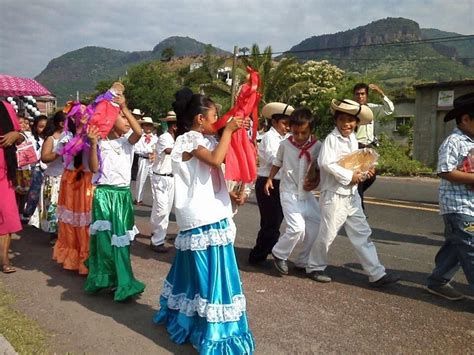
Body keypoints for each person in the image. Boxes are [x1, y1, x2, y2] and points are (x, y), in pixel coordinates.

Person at [153, 88, 255, 354]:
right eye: (215, 115)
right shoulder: (187, 140)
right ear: (199, 118)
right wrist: (230, 131)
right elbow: (214, 161)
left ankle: (186, 318)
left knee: (193, 276)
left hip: (209, 213)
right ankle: (212, 330)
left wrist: (231, 193)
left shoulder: (206, 140)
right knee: (211, 278)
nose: (218, 120)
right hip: (202, 219)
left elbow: (209, 175)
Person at [305, 98, 399, 286]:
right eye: (342, 120)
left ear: (356, 123)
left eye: (350, 120)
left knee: (362, 233)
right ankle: (314, 266)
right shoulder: (332, 139)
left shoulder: (353, 139)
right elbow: (325, 163)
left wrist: (365, 172)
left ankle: (377, 273)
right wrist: (350, 176)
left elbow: (355, 163)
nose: (346, 124)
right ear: (336, 121)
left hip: (351, 195)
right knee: (328, 234)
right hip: (334, 194)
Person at [85, 94, 145, 302]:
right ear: (109, 121)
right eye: (122, 117)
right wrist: (92, 144)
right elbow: (94, 168)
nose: (127, 121)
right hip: (103, 195)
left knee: (121, 241)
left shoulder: (126, 143)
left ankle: (123, 281)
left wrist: (125, 107)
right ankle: (104, 278)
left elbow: (139, 131)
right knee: (103, 241)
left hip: (121, 196)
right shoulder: (99, 143)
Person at [426, 92, 474, 301]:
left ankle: (438, 281)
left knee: (457, 245)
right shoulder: (454, 141)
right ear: (465, 119)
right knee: (471, 247)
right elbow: (444, 171)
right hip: (457, 206)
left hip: (470, 204)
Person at [264, 108, 322, 275]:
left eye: (304, 133)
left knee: (316, 224)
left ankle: (303, 260)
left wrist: (316, 181)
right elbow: (277, 161)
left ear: (311, 130)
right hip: (288, 192)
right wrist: (269, 179)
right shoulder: (285, 145)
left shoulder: (318, 146)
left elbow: (319, 168)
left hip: (306, 193)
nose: (299, 137)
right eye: (295, 133)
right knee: (297, 228)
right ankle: (279, 253)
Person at [248, 102, 292, 265]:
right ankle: (258, 255)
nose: (287, 128)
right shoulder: (269, 137)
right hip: (268, 182)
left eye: (289, 124)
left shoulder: (286, 138)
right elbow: (275, 159)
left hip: (281, 183)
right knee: (270, 222)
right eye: (284, 124)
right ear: (274, 122)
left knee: (275, 221)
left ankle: (265, 251)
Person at [53, 104, 93, 275]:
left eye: (85, 115)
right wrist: (78, 134)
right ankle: (71, 257)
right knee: (71, 221)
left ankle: (87, 258)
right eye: (78, 116)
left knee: (86, 221)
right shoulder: (66, 136)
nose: (82, 118)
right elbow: (63, 152)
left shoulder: (93, 135)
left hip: (87, 181)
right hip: (71, 180)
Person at [353, 83, 394, 208]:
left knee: (371, 176)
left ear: (367, 95)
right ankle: (359, 208)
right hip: (356, 147)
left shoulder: (372, 109)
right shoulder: (351, 110)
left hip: (369, 148)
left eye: (362, 94)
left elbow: (389, 110)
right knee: (360, 178)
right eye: (357, 94)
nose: (360, 96)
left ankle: (354, 197)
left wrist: (380, 93)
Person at [29, 111, 66, 245]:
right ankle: (54, 233)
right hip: (54, 178)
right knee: (53, 206)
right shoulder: (51, 139)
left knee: (65, 207)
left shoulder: (71, 137)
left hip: (67, 178)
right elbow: (44, 157)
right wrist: (60, 151)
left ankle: (64, 232)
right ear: (62, 123)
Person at [0, 101, 25, 273]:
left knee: (7, 216)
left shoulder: (5, 107)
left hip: (4, 172)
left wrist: (15, 134)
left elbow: (21, 136)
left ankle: (4, 258)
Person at [149, 111, 177, 253]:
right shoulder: (164, 137)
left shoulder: (177, 139)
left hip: (171, 178)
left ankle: (155, 232)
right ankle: (157, 241)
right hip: (160, 177)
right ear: (174, 126)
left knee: (162, 209)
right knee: (162, 209)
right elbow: (168, 151)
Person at [134, 116, 158, 205]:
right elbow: (136, 149)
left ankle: (156, 199)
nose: (148, 127)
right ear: (143, 126)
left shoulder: (155, 138)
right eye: (146, 125)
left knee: (154, 179)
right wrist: (147, 151)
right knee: (141, 179)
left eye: (149, 126)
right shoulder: (140, 137)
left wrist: (154, 152)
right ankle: (138, 199)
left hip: (153, 160)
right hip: (143, 159)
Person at [130, 108, 144, 181]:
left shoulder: (141, 129)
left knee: (135, 165)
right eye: (135, 115)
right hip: (132, 148)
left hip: (138, 150)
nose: (136, 117)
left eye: (137, 116)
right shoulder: (128, 126)